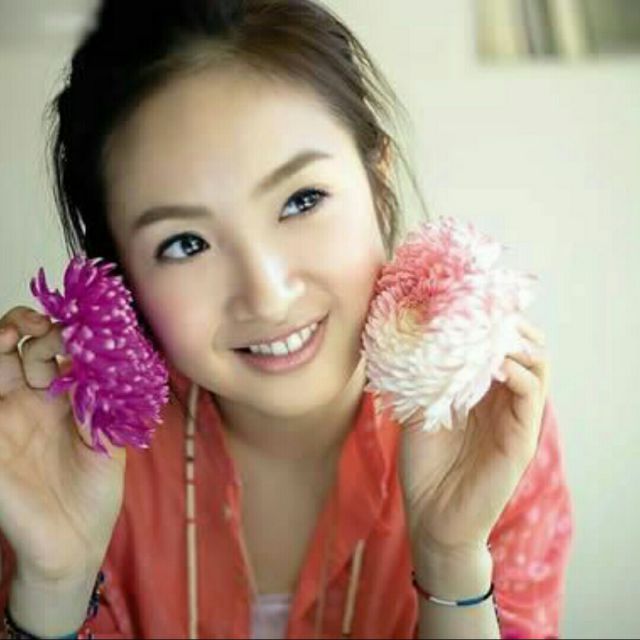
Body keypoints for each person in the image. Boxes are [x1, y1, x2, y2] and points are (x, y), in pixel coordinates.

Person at [0, 0, 574, 638]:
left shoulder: (481, 425)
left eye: (302, 200)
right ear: (121, 277)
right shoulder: (72, 452)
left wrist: (451, 560)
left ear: (377, 177)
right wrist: (54, 583)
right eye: (185, 243)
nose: (268, 296)